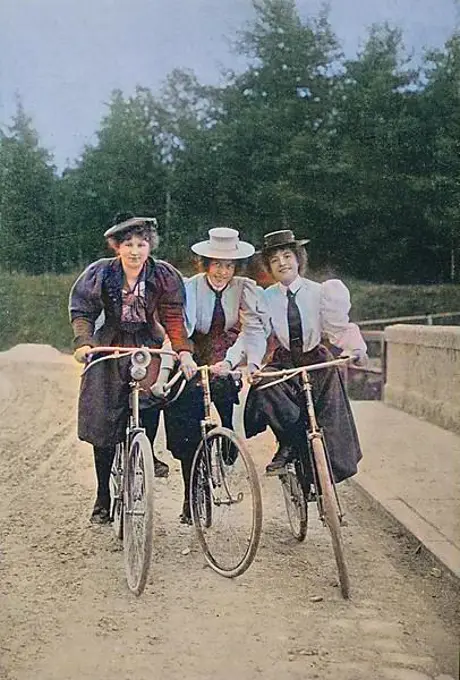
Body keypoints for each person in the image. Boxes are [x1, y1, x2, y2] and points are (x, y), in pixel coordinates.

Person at [69, 213, 196, 524]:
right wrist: (84, 343)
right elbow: (83, 310)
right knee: (102, 409)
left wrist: (183, 352)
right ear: (117, 247)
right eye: (128, 244)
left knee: (152, 392)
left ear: (150, 246)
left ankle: (145, 448)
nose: (136, 251)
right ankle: (103, 496)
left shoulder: (163, 275)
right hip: (110, 342)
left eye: (142, 244)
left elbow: (173, 317)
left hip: (146, 342)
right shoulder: (100, 273)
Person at [142, 227, 266, 523]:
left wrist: (233, 361)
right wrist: (180, 360)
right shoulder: (190, 287)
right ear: (205, 263)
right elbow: (179, 331)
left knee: (225, 400)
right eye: (216, 264)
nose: (222, 272)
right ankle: (192, 496)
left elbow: (252, 331)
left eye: (228, 265)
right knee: (187, 422)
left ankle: (227, 441)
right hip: (193, 353)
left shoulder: (245, 289)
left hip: (228, 355)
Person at [244, 229, 367, 484]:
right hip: (285, 359)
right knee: (265, 383)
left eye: (287, 256)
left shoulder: (321, 292)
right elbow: (256, 334)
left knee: (328, 419)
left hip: (316, 360)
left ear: (298, 259)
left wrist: (355, 349)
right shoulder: (265, 298)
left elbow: (338, 327)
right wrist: (254, 363)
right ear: (269, 267)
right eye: (275, 260)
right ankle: (288, 443)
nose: (282, 264)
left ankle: (324, 479)